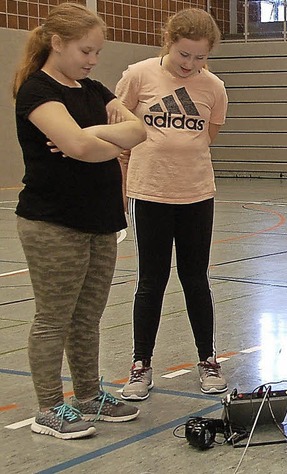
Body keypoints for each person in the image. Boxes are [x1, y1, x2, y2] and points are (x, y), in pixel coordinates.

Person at [12, 3, 146, 439]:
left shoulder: (92, 89)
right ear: (57, 43)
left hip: (101, 220)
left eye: (97, 51)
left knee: (87, 317)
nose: (92, 60)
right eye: (86, 50)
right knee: (54, 318)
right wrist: (97, 139)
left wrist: (87, 136)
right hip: (53, 222)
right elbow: (79, 148)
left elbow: (138, 132)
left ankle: (89, 395)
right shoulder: (37, 91)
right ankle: (49, 407)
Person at [115, 8, 229, 400]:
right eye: (184, 55)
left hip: (197, 194)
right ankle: (140, 364)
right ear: (168, 43)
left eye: (200, 58)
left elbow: (207, 137)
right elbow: (120, 126)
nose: (190, 64)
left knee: (195, 279)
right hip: (150, 194)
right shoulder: (139, 75)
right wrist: (126, 176)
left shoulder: (213, 87)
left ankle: (208, 360)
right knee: (151, 280)